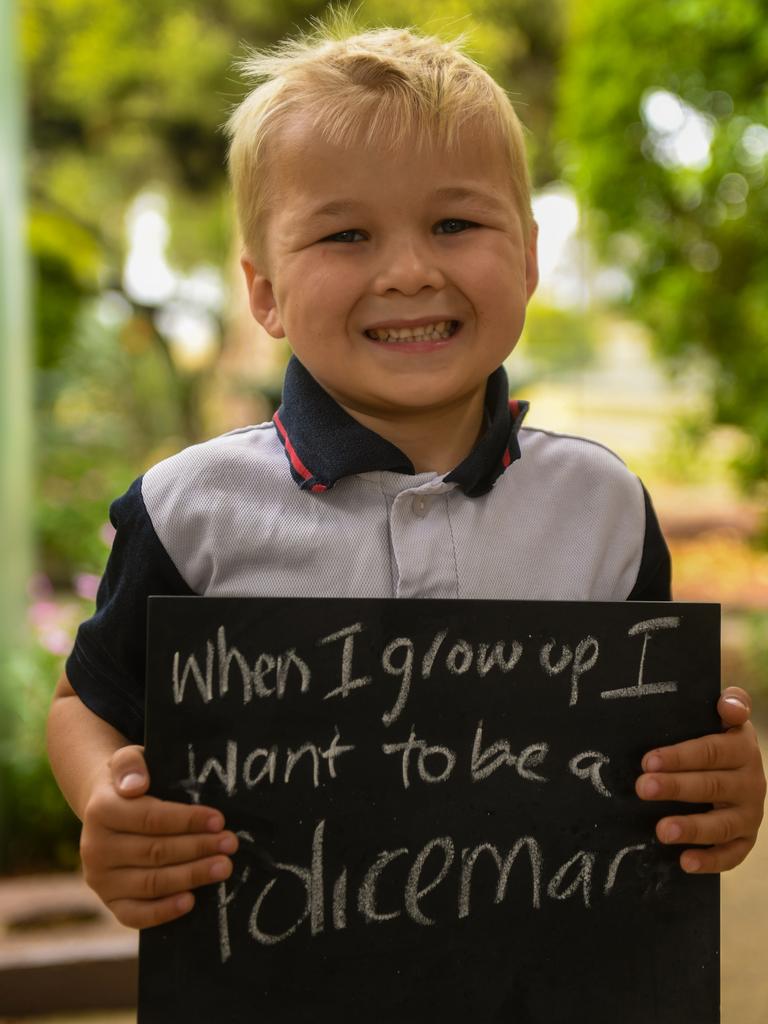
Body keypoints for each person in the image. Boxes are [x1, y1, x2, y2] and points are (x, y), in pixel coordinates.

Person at [47, 20, 765, 931]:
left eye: (455, 223)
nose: (410, 271)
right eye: (346, 235)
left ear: (532, 254)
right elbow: (86, 704)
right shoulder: (193, 511)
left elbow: (668, 754)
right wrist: (109, 801)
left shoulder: (604, 509)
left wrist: (726, 786)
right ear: (262, 290)